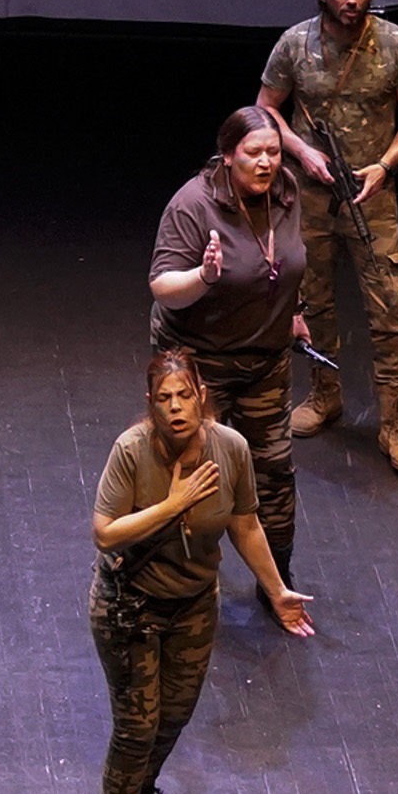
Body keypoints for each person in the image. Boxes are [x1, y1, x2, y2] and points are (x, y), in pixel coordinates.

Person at [89, 349, 315, 794]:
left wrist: (276, 591)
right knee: (137, 725)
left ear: (202, 396)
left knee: (173, 716)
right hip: (130, 607)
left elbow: (245, 524)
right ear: (151, 404)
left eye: (184, 395)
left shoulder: (230, 448)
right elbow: (105, 533)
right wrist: (173, 504)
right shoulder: (131, 451)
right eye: (164, 398)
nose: (175, 407)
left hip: (192, 605)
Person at [255, 0, 398, 473]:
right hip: (309, 195)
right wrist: (301, 150)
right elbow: (265, 108)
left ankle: (395, 423)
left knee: (390, 306)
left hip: (371, 197)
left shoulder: (396, 44)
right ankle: (324, 394)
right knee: (312, 301)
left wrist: (385, 165)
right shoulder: (295, 43)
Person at [149, 106, 310, 588]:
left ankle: (277, 581)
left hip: (265, 360)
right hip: (200, 367)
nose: (266, 162)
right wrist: (204, 276)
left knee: (274, 473)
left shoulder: (285, 191)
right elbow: (162, 287)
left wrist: (294, 312)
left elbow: (288, 261)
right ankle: (178, 581)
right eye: (253, 152)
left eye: (274, 152)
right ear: (226, 155)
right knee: (191, 472)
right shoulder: (193, 205)